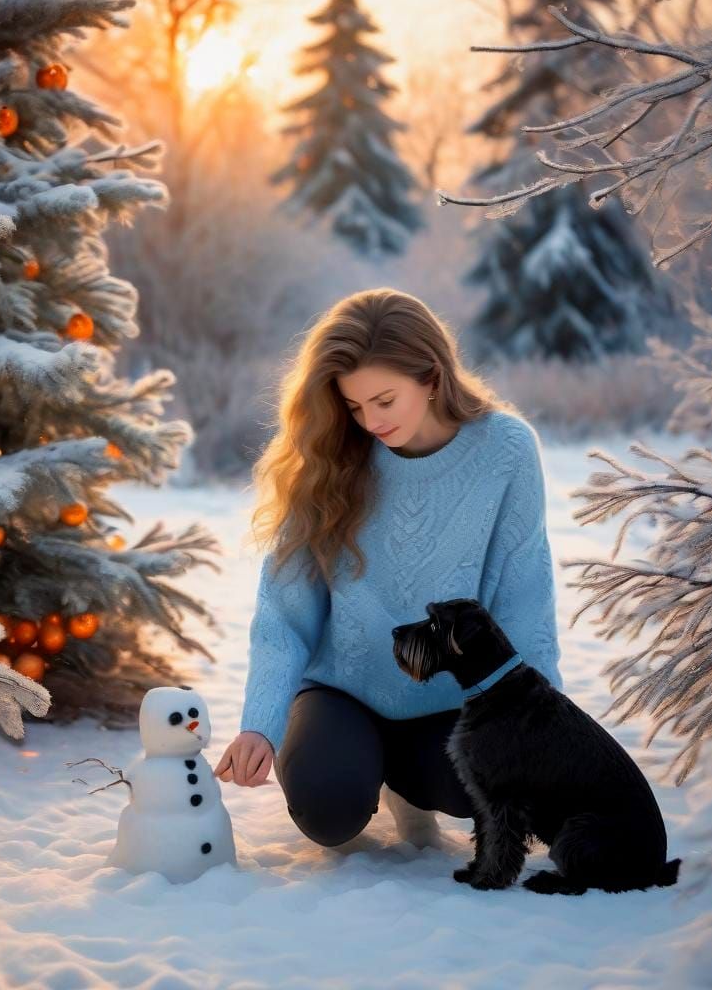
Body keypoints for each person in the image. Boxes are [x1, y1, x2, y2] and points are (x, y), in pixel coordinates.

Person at [212, 287, 564, 847]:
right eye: (353, 405)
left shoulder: (506, 451)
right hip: (342, 693)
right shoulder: (331, 454)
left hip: (450, 700)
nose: (369, 421)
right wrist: (259, 723)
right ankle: (356, 760)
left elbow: (524, 597)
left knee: (496, 795)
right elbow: (284, 614)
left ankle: (403, 778)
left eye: (383, 400)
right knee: (328, 810)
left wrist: (546, 728)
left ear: (431, 376)